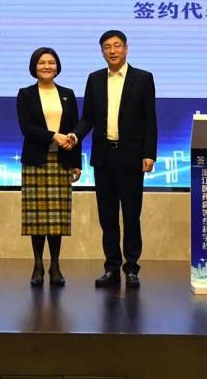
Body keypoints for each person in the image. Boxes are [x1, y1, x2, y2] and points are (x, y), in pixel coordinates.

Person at [71, 30, 156, 289]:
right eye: (107, 47)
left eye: (117, 46)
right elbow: (88, 117)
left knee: (131, 215)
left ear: (126, 48)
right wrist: (75, 135)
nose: (112, 51)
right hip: (104, 156)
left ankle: (131, 268)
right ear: (102, 51)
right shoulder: (95, 79)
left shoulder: (143, 78)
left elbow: (149, 119)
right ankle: (111, 268)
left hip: (131, 157)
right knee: (107, 217)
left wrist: (149, 153)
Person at [16, 47, 82, 287]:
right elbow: (26, 127)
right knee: (36, 218)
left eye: (51, 62)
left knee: (57, 218)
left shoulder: (67, 94)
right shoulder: (25, 94)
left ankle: (55, 265)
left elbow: (75, 129)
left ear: (57, 66)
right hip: (36, 161)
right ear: (34, 67)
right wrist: (53, 135)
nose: (47, 66)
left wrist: (76, 163)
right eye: (42, 62)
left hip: (62, 161)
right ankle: (37, 265)